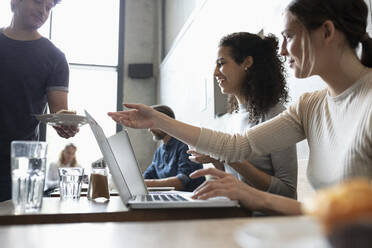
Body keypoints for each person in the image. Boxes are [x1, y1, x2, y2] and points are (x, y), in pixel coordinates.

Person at [108, 0, 372, 215]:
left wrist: (255, 197)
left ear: (326, 32)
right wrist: (158, 120)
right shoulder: (309, 105)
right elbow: (236, 146)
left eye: (289, 36)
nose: (281, 51)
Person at [188, 32, 297, 199]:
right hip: (238, 212)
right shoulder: (235, 117)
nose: (215, 73)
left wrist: (226, 153)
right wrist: (215, 157)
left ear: (247, 62)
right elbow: (235, 179)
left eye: (221, 63)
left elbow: (287, 191)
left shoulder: (276, 115)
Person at [0, 0, 78, 201]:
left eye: (48, 7)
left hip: (19, 166)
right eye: (37, 2)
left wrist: (65, 125)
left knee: (15, 231)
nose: (43, 11)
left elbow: (59, 114)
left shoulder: (55, 58)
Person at [143, 105, 205, 192]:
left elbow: (181, 182)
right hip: (171, 199)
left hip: (191, 200)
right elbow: (147, 176)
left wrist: (145, 184)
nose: (149, 129)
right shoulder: (159, 152)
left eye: (152, 123)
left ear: (166, 122)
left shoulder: (185, 145)